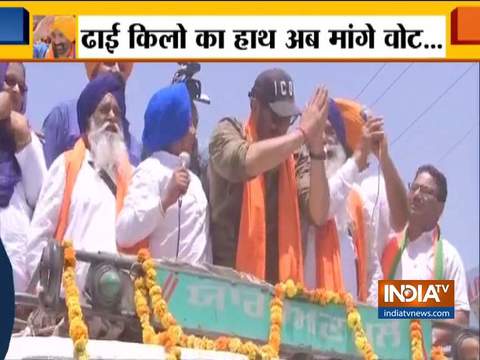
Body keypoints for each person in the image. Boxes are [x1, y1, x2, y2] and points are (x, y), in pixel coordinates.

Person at [208, 68, 329, 284]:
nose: (280, 126)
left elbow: (318, 214)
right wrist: (301, 134)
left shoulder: (294, 154)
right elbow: (244, 162)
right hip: (227, 288)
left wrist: (317, 148)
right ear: (254, 106)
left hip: (280, 293)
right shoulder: (227, 132)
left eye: (287, 119)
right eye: (275, 117)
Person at [26, 72, 132, 291]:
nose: (112, 116)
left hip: (117, 308)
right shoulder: (66, 165)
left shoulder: (132, 177)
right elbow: (39, 237)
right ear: (88, 120)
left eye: (117, 112)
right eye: (104, 110)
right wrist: (46, 293)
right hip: (67, 302)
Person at [303, 99, 407, 304]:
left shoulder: (358, 199)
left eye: (332, 133)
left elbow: (372, 270)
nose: (324, 140)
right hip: (301, 320)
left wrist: (383, 158)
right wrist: (357, 159)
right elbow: (322, 210)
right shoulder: (299, 183)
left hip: (351, 325)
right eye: (319, 131)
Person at [116, 83, 210, 262]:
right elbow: (124, 233)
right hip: (164, 287)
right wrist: (164, 201)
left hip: (200, 287)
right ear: (176, 127)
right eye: (190, 123)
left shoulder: (195, 181)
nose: (195, 132)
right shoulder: (150, 170)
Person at [382, 164, 470, 343]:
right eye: (414, 188)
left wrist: (425, 340)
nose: (415, 196)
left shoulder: (448, 256)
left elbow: (461, 317)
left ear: (440, 208)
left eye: (425, 191)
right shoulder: (387, 244)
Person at [0, 63, 47, 293]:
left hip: (15, 275)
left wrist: (25, 143)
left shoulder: (30, 138)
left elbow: (41, 197)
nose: (16, 89)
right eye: (9, 81)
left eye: (22, 86)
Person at [41, 62, 141, 167]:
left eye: (122, 66)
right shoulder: (63, 117)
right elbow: (43, 176)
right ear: (93, 70)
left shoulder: (134, 148)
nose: (116, 69)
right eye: (110, 63)